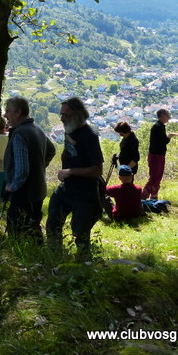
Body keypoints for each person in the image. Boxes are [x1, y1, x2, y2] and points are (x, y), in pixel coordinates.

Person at [46, 97, 104, 257]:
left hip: (85, 193)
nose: (61, 118)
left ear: (77, 115)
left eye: (65, 115)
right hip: (67, 189)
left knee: (80, 234)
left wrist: (71, 171)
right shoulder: (69, 130)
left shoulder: (89, 136)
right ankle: (55, 256)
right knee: (52, 224)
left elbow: (97, 170)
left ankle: (83, 266)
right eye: (61, 114)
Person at [3, 97, 56, 241]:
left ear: (18, 112)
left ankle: (23, 260)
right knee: (33, 227)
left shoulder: (20, 134)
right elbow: (51, 150)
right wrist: (39, 168)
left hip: (23, 193)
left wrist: (12, 187)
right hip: (37, 190)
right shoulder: (36, 128)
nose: (5, 115)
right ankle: (39, 258)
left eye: (8, 111)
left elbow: (22, 170)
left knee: (19, 232)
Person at [143, 108, 174, 200]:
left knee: (157, 176)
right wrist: (169, 137)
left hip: (158, 155)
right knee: (154, 177)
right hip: (156, 155)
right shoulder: (158, 127)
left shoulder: (159, 126)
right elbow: (163, 141)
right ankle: (143, 196)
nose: (169, 117)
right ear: (163, 116)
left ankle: (153, 195)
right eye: (167, 115)